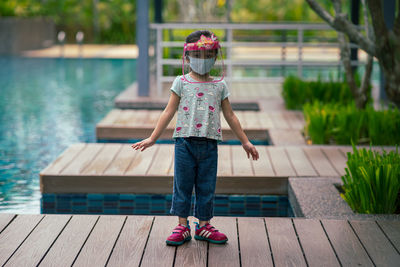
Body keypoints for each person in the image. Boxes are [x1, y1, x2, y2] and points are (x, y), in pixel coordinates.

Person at [132, 30, 259, 246]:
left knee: (206, 186)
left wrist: (245, 141)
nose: (203, 60)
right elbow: (168, 111)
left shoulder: (220, 85)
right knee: (182, 186)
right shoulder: (181, 82)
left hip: (209, 144)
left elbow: (230, 115)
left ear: (215, 57)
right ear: (187, 57)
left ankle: (204, 226)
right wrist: (153, 137)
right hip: (184, 143)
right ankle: (182, 226)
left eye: (208, 55)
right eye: (198, 56)